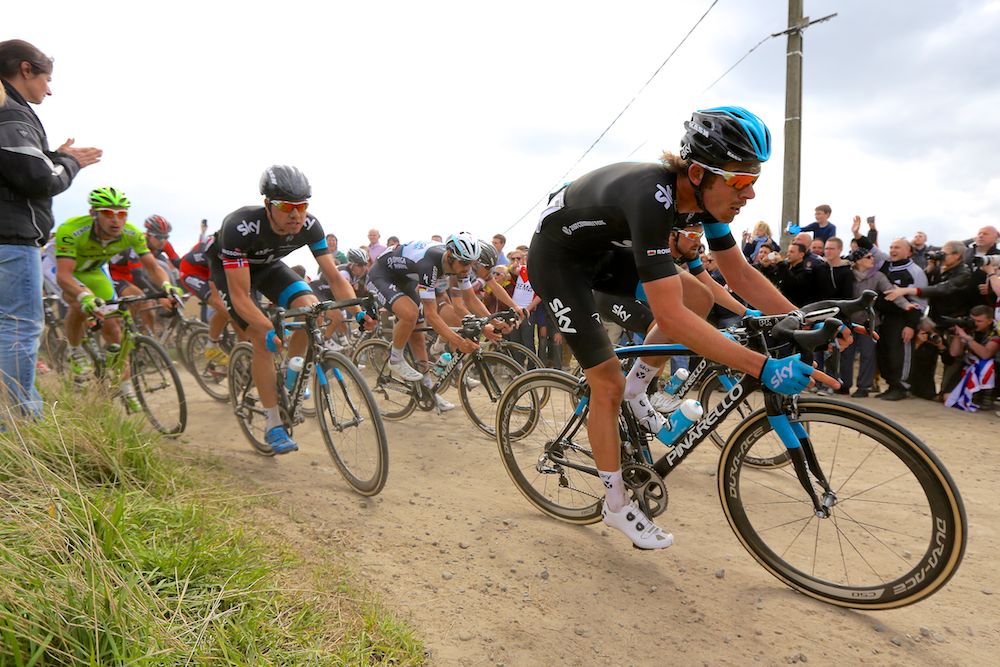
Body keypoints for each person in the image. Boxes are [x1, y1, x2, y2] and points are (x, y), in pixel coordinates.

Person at [528, 106, 820, 550]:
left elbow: (738, 275)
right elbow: (671, 319)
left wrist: (802, 318)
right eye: (741, 181)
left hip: (607, 254)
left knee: (701, 296)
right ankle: (615, 503)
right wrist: (762, 366)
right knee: (604, 382)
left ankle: (637, 388)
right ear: (700, 172)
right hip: (559, 263)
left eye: (754, 181)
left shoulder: (704, 202)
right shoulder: (652, 196)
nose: (751, 194)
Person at [207, 165, 370, 454]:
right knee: (262, 339)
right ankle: (273, 424)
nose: (296, 215)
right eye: (286, 207)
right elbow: (240, 295)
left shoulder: (310, 225)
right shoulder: (240, 226)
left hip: (268, 267)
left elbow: (333, 277)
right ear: (268, 205)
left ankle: (293, 371)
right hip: (232, 273)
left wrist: (356, 312)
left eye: (302, 206)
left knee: (313, 309)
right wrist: (266, 328)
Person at [0, 39, 101, 417]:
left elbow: (24, 168)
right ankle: (21, 421)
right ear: (26, 70)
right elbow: (40, 181)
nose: (50, 88)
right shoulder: (10, 113)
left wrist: (56, 156)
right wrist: (69, 162)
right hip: (12, 241)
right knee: (19, 331)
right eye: (47, 78)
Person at [54, 187, 180, 409]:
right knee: (80, 305)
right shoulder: (72, 230)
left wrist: (167, 286)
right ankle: (75, 352)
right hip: (66, 271)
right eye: (108, 213)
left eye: (121, 214)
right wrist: (83, 295)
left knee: (113, 327)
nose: (116, 220)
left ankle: (125, 388)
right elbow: (63, 275)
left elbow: (151, 266)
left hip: (95, 271)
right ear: (94, 213)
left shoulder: (130, 233)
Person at [364, 233, 500, 412]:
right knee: (411, 314)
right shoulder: (429, 264)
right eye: (465, 263)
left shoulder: (459, 264)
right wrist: (459, 342)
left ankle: (429, 390)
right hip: (381, 276)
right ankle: (395, 358)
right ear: (450, 257)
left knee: (418, 337)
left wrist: (493, 323)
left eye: (472, 263)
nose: (468, 268)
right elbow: (433, 315)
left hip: (404, 280)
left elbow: (471, 298)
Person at [944, 305, 999, 411]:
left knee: (986, 364)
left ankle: (985, 396)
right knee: (948, 398)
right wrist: (958, 334)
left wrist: (968, 339)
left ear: (989, 320)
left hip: (992, 370)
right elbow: (954, 353)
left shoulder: (996, 331)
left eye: (979, 321)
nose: (974, 323)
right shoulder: (968, 328)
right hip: (968, 366)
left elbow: (986, 354)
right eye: (972, 320)